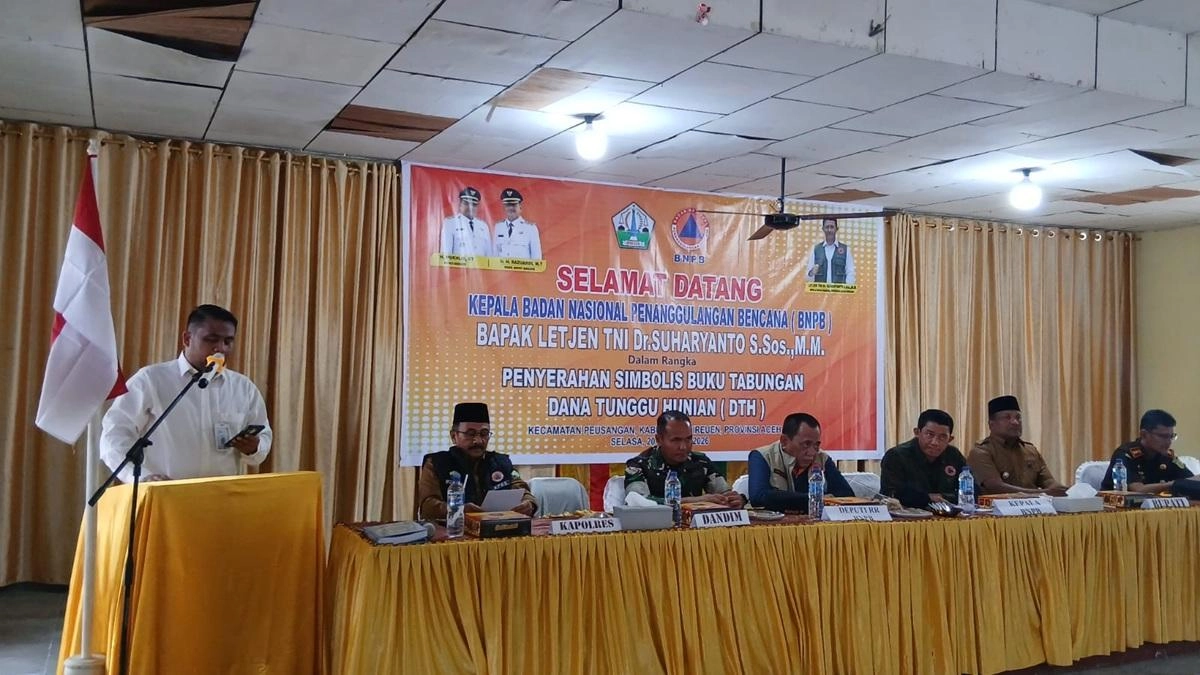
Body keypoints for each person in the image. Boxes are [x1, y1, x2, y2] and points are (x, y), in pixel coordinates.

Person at [100, 304, 272, 482]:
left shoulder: (243, 388)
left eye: (228, 342)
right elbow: (114, 434)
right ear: (187, 339)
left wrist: (254, 447)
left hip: (223, 495)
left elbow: (264, 438)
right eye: (211, 339)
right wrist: (141, 477)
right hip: (167, 493)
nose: (220, 348)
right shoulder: (150, 380)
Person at [416, 402, 537, 520]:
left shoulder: (501, 462)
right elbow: (427, 506)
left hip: (497, 528)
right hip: (454, 529)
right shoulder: (437, 463)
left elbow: (522, 490)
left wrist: (529, 503)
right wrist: (458, 510)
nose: (478, 441)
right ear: (454, 436)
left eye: (484, 434)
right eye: (470, 434)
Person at [625, 411, 744, 507]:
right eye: (675, 440)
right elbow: (638, 502)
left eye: (688, 439)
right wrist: (695, 501)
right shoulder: (638, 465)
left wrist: (735, 500)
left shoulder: (701, 461)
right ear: (659, 439)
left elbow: (724, 493)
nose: (683, 447)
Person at [746, 412, 853, 511]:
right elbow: (759, 497)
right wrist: (816, 499)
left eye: (816, 445)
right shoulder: (762, 456)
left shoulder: (822, 458)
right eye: (806, 444)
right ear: (784, 441)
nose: (812, 452)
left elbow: (847, 496)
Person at [967, 395, 1067, 496]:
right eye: (1007, 417)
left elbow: (1049, 482)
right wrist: (1042, 493)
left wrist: (1067, 491)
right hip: (997, 506)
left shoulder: (1030, 450)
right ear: (991, 424)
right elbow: (996, 487)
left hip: (1036, 504)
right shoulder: (981, 452)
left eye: (1018, 417)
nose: (1015, 422)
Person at [1101, 409, 1200, 497]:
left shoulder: (1167, 456)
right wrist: (1174, 484)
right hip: (1118, 509)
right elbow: (1138, 490)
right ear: (1144, 434)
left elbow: (1189, 479)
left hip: (1156, 508)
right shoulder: (1125, 454)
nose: (1169, 442)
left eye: (1171, 436)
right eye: (1163, 436)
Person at [880, 409, 967, 507]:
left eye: (942, 437)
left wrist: (942, 497)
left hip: (948, 513)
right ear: (917, 432)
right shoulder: (896, 456)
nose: (935, 442)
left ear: (950, 439)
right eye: (930, 434)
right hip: (905, 514)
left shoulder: (954, 455)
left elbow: (972, 491)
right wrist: (928, 498)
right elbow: (891, 494)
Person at [439, 186, 492, 257]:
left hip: (480, 264)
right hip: (459, 264)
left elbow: (489, 256)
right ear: (460, 203)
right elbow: (445, 255)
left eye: (474, 204)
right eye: (467, 203)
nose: (471, 207)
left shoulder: (483, 226)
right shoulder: (450, 223)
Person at [492, 188, 542, 260]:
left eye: (514, 205)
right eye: (508, 205)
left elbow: (536, 258)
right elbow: (494, 255)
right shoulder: (498, 227)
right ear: (504, 207)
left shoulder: (530, 228)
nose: (511, 208)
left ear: (520, 207)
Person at [806, 218, 856, 285]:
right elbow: (808, 277)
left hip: (839, 291)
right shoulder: (816, 249)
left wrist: (846, 290)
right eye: (827, 227)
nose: (829, 230)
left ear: (836, 229)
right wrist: (811, 273)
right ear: (823, 229)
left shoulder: (846, 250)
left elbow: (850, 273)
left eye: (832, 227)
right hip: (819, 290)